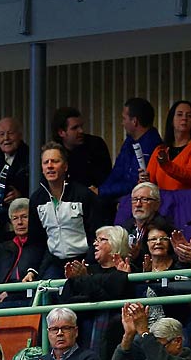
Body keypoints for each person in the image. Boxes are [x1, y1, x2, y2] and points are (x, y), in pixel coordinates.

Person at [29, 142, 100, 278]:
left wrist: (89, 264)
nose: (50, 166)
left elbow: (96, 235)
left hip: (85, 260)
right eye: (46, 162)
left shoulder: (83, 195)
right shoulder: (37, 200)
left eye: (55, 161)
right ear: (42, 168)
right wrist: (31, 269)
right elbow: (35, 241)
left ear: (65, 166)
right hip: (54, 263)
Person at [99, 97, 162, 206]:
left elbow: (135, 182)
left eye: (124, 118)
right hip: (120, 198)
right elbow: (117, 172)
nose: (122, 123)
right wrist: (99, 191)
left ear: (134, 121)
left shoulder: (153, 147)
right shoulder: (130, 142)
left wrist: (101, 191)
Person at [149, 99, 191, 192]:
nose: (184, 118)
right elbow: (151, 181)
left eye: (189, 116)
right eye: (179, 114)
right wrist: (144, 180)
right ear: (171, 120)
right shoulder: (160, 149)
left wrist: (167, 165)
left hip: (189, 203)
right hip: (164, 204)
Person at [51, 107, 113, 193]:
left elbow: (106, 179)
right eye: (75, 128)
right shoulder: (54, 153)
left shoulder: (96, 145)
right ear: (61, 132)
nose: (81, 131)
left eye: (81, 126)